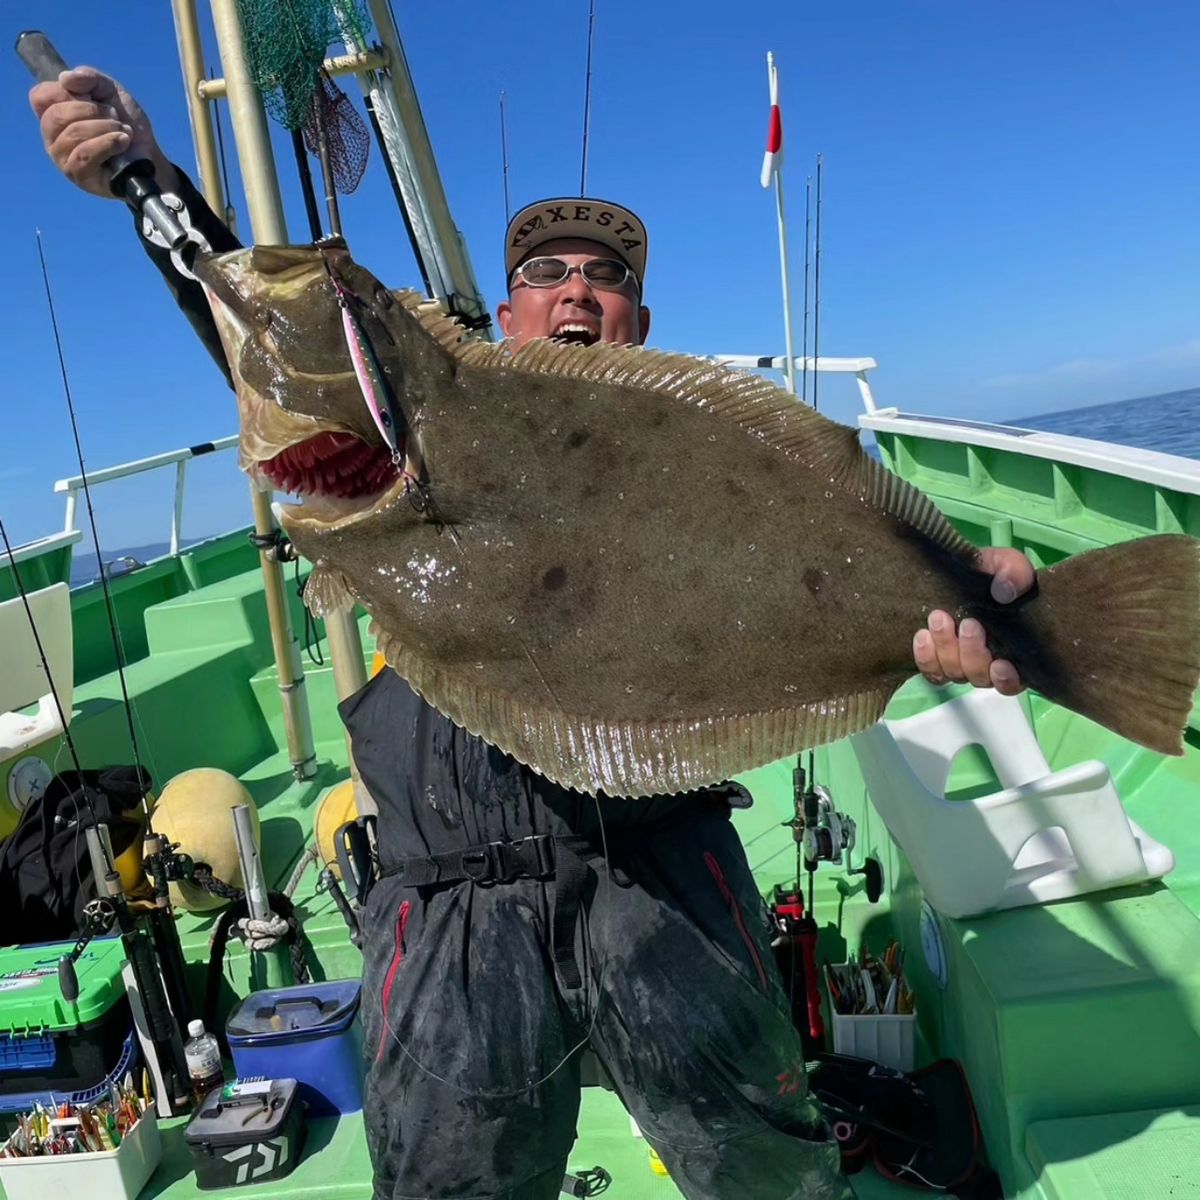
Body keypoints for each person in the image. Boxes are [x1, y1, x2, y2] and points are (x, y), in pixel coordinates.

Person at [31, 67, 1034, 1200]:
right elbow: (274, 340)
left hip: (663, 870)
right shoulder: (415, 430)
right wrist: (149, 181)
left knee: (765, 1172)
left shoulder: (704, 470)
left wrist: (965, 592)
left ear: (641, 325)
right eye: (544, 274)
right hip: (447, 905)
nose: (576, 292)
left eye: (607, 278)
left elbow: (839, 546)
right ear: (506, 320)